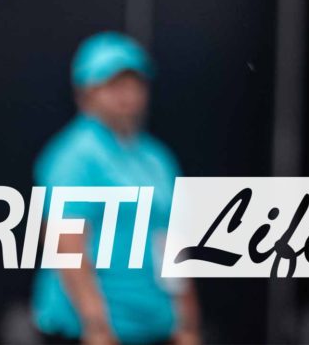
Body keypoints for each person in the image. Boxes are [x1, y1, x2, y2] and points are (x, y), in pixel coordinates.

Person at [31, 32, 201, 345]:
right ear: (86, 93)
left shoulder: (157, 158)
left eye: (134, 83)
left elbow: (170, 242)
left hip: (153, 328)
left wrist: (187, 322)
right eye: (113, 84)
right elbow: (66, 243)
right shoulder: (74, 155)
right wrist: (96, 326)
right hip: (90, 334)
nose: (126, 94)